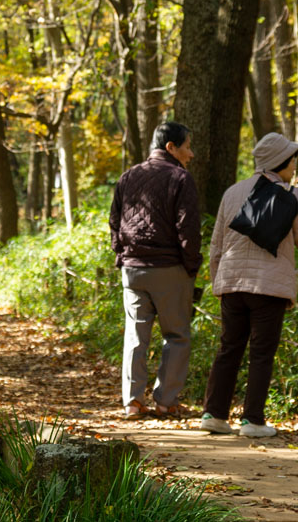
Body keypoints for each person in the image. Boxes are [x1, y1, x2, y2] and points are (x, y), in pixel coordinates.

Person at [199, 132, 298, 437]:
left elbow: (217, 245)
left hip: (232, 283)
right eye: (291, 159)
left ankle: (214, 414)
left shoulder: (232, 193)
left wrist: (219, 283)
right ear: (279, 161)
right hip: (269, 286)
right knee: (262, 352)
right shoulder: (291, 196)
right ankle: (253, 421)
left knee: (229, 348)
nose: (294, 164)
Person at [109, 121, 202, 420]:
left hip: (132, 270)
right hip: (169, 268)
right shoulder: (180, 178)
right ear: (170, 147)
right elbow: (188, 228)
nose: (191, 153)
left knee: (135, 336)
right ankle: (165, 401)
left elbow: (114, 221)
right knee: (177, 335)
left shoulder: (128, 176)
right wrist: (191, 266)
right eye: (187, 146)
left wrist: (122, 254)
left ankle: (132, 403)